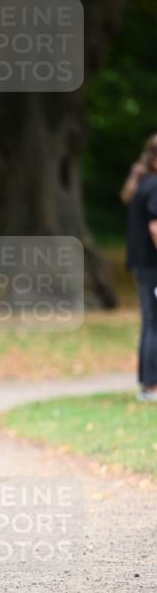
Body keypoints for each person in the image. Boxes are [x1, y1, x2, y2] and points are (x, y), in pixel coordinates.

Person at [120, 133, 157, 402]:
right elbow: (156, 228)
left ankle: (148, 385)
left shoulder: (141, 183)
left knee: (150, 322)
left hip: (141, 265)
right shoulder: (155, 185)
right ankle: (152, 386)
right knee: (154, 323)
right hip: (152, 265)